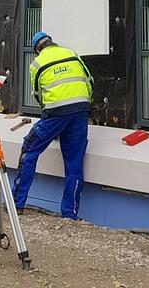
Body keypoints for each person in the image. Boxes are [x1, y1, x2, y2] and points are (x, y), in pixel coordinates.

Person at [12, 31, 94, 220]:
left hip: (55, 113)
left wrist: (53, 120)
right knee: (74, 163)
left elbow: (38, 94)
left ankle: (17, 204)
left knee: (29, 149)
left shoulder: (37, 64)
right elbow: (89, 82)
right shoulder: (71, 53)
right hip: (81, 110)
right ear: (52, 43)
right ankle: (69, 214)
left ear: (37, 50)